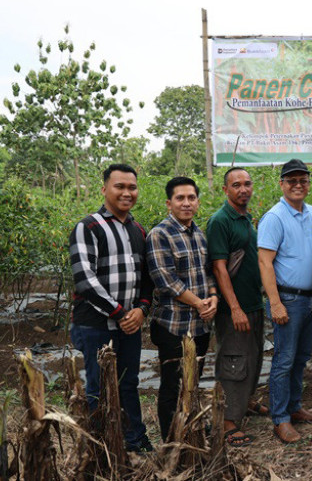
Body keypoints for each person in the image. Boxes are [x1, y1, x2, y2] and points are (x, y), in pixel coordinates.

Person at [69, 163, 154, 454]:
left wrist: (142, 309)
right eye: (120, 186)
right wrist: (120, 313)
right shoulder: (88, 227)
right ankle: (100, 447)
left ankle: (134, 440)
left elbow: (146, 278)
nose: (127, 192)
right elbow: (85, 280)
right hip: (96, 324)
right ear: (105, 188)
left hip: (130, 323)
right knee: (98, 386)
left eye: (132, 187)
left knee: (128, 383)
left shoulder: (138, 230)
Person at [146, 176, 218, 442]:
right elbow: (166, 281)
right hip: (173, 325)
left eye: (191, 198)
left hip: (200, 324)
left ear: (198, 202)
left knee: (193, 381)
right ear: (169, 203)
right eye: (180, 198)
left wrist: (213, 297)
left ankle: (190, 427)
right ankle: (171, 438)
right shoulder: (159, 234)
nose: (187, 203)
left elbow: (208, 272)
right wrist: (199, 303)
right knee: (171, 384)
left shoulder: (199, 234)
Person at [258, 159, 312, 444]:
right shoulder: (274, 217)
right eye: (292, 180)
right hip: (287, 299)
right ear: (282, 184)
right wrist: (275, 302)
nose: (298, 185)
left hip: (311, 300)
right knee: (283, 360)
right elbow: (265, 262)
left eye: (303, 180)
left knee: (300, 357)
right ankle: (280, 419)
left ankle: (295, 407)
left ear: (309, 184)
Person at [206, 167, 266, 447]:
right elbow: (219, 269)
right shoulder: (220, 220)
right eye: (236, 185)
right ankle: (228, 421)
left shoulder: (246, 217)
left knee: (253, 357)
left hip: (253, 302)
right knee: (235, 360)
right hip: (236, 308)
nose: (243, 189)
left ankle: (245, 402)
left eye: (247, 184)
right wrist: (235, 308)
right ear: (225, 190)